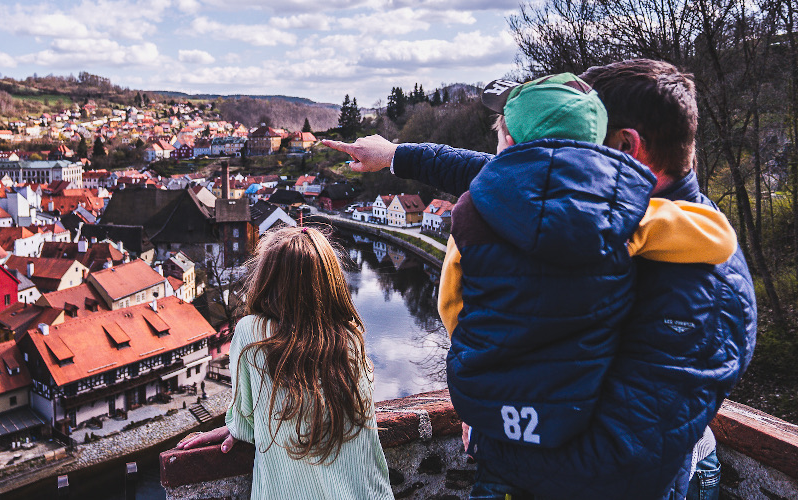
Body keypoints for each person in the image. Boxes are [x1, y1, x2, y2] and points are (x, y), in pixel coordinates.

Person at [324, 59, 756, 500]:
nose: (541, 160)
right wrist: (396, 154)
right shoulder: (586, 206)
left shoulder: (699, 279)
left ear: (625, 146)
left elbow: (617, 464)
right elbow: (505, 177)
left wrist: (492, 430)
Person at [435, 72, 736, 497]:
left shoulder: (472, 211)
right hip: (574, 404)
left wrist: (479, 342)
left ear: (509, 145)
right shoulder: (621, 215)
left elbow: (451, 302)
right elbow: (717, 238)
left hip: (491, 405)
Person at [177, 226, 394, 500]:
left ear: (269, 279)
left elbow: (245, 424)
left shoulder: (251, 334)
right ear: (330, 281)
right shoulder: (350, 337)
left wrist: (235, 426)